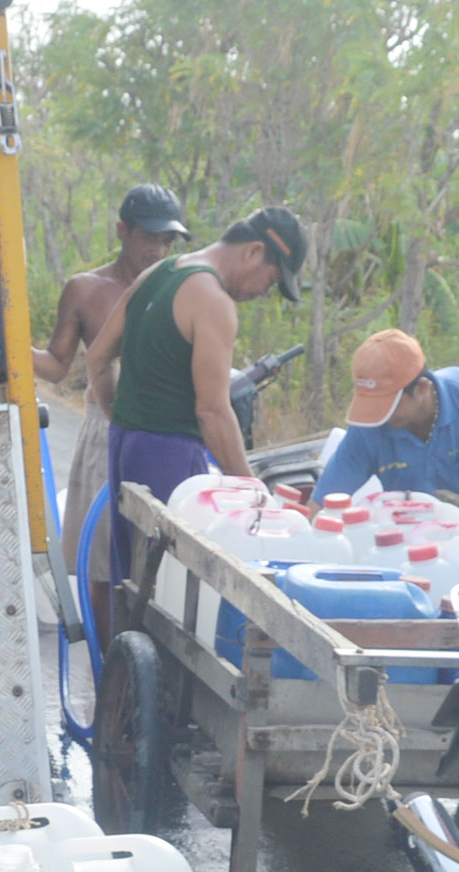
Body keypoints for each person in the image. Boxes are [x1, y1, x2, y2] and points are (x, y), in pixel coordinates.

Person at [88, 204, 308, 587]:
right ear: (254, 251)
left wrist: (121, 418)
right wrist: (257, 495)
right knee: (172, 594)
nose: (262, 292)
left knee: (133, 584)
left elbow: (97, 356)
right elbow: (212, 411)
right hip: (171, 458)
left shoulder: (161, 271)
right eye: (270, 281)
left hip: (125, 444)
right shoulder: (213, 300)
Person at [37, 182, 187, 604]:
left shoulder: (182, 286)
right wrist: (4, 346)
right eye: (148, 238)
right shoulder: (86, 289)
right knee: (101, 564)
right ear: (122, 231)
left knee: (163, 561)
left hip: (165, 434)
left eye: (167, 240)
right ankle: (109, 667)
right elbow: (56, 363)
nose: (158, 250)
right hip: (106, 430)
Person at [316, 328, 459, 516]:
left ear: (421, 389)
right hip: (413, 537)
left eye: (387, 405)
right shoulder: (369, 427)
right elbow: (323, 502)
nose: (379, 416)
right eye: (371, 405)